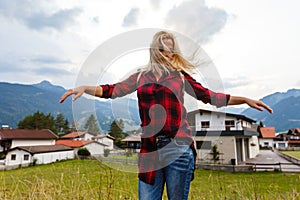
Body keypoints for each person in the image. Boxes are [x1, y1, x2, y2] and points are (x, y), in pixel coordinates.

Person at [60, 31, 273, 200]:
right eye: (161, 49)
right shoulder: (140, 76)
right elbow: (111, 90)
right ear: (154, 50)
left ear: (174, 53)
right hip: (150, 150)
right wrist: (86, 88)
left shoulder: (180, 77)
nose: (165, 53)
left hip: (178, 147)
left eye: (170, 50)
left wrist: (244, 99)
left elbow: (210, 97)